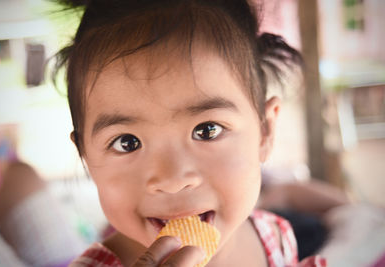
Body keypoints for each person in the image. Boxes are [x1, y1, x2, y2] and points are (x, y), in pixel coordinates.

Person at [52, 0, 326, 266]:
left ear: (265, 131)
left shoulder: (275, 236)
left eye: (207, 131)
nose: (172, 180)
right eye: (127, 142)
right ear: (85, 155)